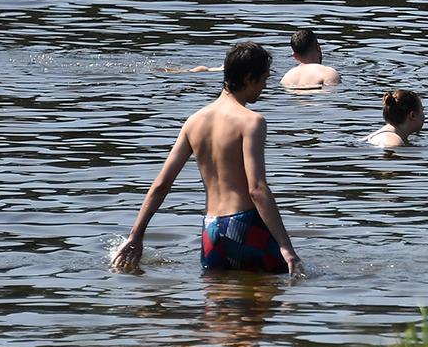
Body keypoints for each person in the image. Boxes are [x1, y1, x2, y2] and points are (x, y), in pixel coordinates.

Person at [113, 41, 303, 275]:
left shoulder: (194, 121)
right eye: (263, 79)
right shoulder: (251, 121)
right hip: (245, 224)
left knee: (216, 306)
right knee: (275, 295)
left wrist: (136, 235)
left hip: (211, 230)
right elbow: (257, 189)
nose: (264, 86)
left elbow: (162, 184)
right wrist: (286, 246)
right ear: (248, 77)